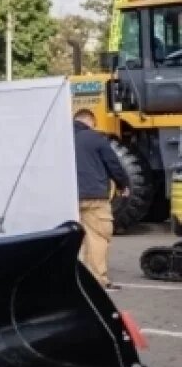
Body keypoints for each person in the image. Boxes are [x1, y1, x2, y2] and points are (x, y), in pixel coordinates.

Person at [73, 109, 130, 290]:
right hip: (94, 196)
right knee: (98, 236)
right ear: (90, 121)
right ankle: (97, 281)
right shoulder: (95, 138)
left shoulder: (58, 138)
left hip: (67, 197)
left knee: (72, 239)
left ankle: (74, 281)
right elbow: (113, 164)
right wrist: (123, 185)